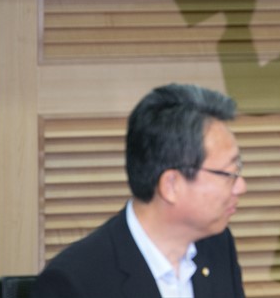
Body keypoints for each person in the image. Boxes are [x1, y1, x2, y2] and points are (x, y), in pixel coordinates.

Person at [32, 83, 247, 298]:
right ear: (171, 185)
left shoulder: (216, 245)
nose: (241, 187)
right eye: (228, 174)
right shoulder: (73, 284)